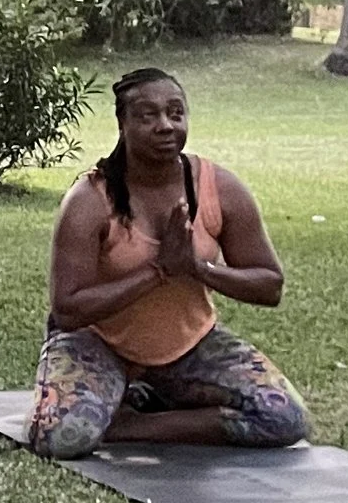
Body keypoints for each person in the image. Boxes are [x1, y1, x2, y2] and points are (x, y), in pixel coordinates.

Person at [29, 67, 311, 457]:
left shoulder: (219, 188)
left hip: (189, 346)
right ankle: (126, 394)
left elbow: (270, 286)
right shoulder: (90, 200)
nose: (165, 125)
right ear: (122, 123)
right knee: (60, 438)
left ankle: (131, 423)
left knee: (285, 419)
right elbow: (68, 309)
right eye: (147, 116)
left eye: (175, 113)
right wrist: (157, 271)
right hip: (98, 343)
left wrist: (196, 268)